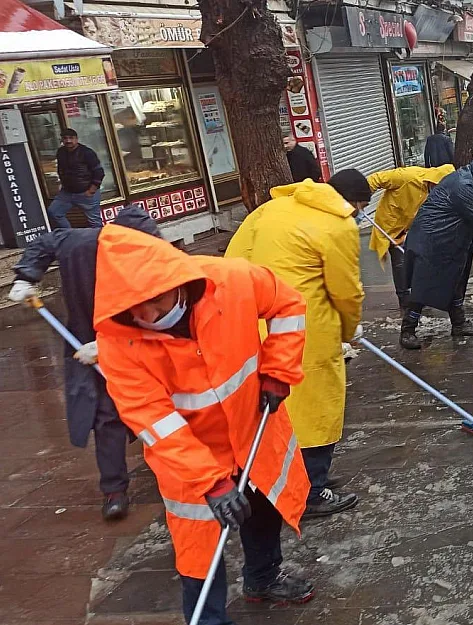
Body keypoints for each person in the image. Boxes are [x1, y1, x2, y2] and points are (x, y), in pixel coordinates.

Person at [93, 225, 314, 624]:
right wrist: (210, 480)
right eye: (134, 308)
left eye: (154, 300)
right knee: (199, 547)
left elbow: (288, 305)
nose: (147, 316)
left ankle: (262, 578)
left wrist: (278, 371)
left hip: (251, 426)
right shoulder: (118, 343)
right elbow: (153, 419)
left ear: (176, 281)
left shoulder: (232, 280)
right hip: (187, 455)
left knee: (262, 506)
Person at [225, 169, 368, 519]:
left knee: (271, 411)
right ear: (349, 202)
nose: (359, 214)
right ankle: (312, 491)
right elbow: (346, 291)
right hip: (305, 329)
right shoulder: (338, 225)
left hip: (251, 323)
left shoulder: (271, 209)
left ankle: (282, 479)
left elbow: (232, 261)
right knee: (317, 411)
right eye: (361, 207)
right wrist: (349, 331)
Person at [7, 205, 159, 521]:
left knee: (159, 406)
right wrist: (26, 275)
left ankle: (174, 466)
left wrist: (113, 345)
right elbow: (44, 243)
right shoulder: (80, 242)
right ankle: (114, 491)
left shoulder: (150, 260)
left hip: (142, 343)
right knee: (106, 416)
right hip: (84, 340)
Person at [400, 154, 473, 350]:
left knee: (456, 280)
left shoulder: (470, 182)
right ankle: (408, 330)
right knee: (424, 286)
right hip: (432, 241)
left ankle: (459, 323)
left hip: (450, 241)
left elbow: (468, 219)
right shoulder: (462, 185)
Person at [367, 164, 456, 309]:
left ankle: (422, 295)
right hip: (393, 227)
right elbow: (375, 179)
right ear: (435, 181)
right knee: (400, 262)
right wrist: (360, 199)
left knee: (422, 259)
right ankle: (404, 298)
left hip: (414, 227)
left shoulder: (437, 193)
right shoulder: (408, 176)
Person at [48, 129, 104, 229]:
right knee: (54, 212)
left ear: (76, 139)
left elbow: (99, 172)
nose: (68, 141)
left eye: (71, 138)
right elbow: (61, 169)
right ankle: (70, 237)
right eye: (65, 138)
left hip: (86, 192)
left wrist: (91, 190)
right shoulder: (61, 152)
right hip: (67, 193)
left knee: (94, 222)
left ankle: (99, 243)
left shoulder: (87, 152)